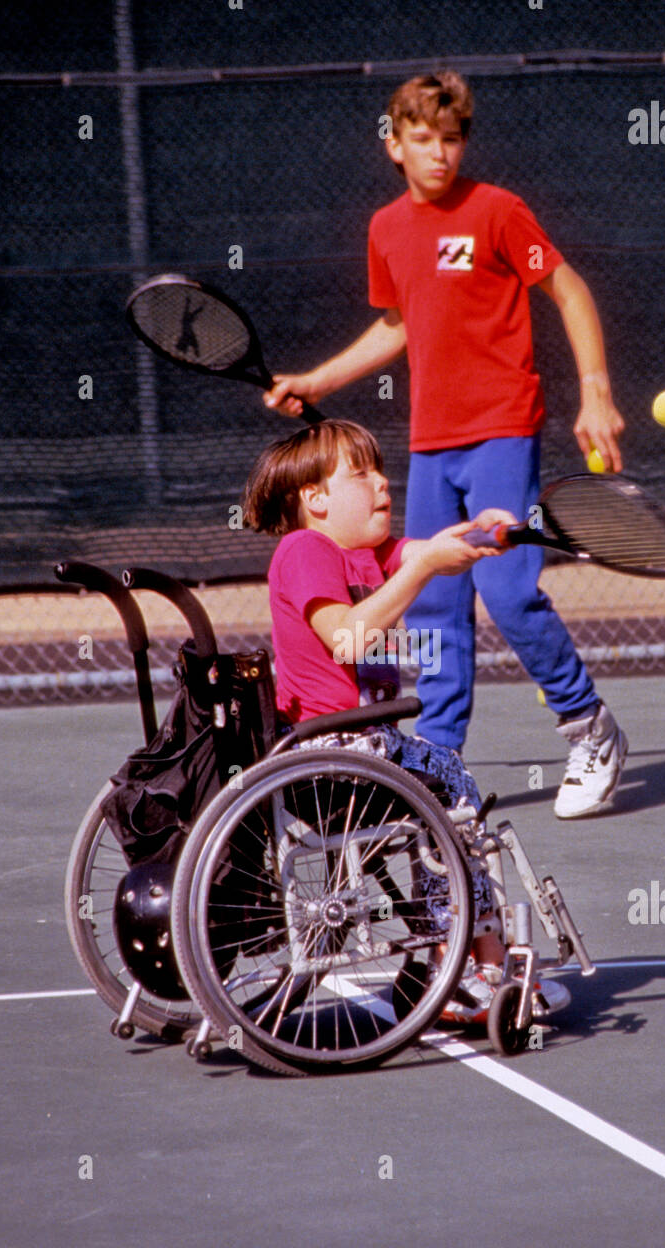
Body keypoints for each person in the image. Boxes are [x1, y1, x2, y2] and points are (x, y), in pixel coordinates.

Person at [264, 70, 628, 819]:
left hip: (501, 426)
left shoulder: (497, 211)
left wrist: (595, 391)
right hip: (431, 441)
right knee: (432, 601)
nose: (440, 154)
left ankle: (589, 727)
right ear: (394, 145)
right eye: (423, 140)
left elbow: (569, 289)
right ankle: (438, 766)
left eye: (452, 139)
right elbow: (397, 324)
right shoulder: (386, 229)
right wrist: (317, 378)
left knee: (506, 589)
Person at [242, 417, 569, 1023]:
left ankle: (463, 957)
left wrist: (484, 531)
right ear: (314, 499)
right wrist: (420, 570)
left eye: (380, 468)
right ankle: (468, 961)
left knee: (445, 790)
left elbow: (429, 551)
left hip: (361, 751)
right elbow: (345, 640)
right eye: (360, 473)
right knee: (452, 791)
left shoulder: (364, 555)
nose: (383, 483)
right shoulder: (305, 550)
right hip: (331, 757)